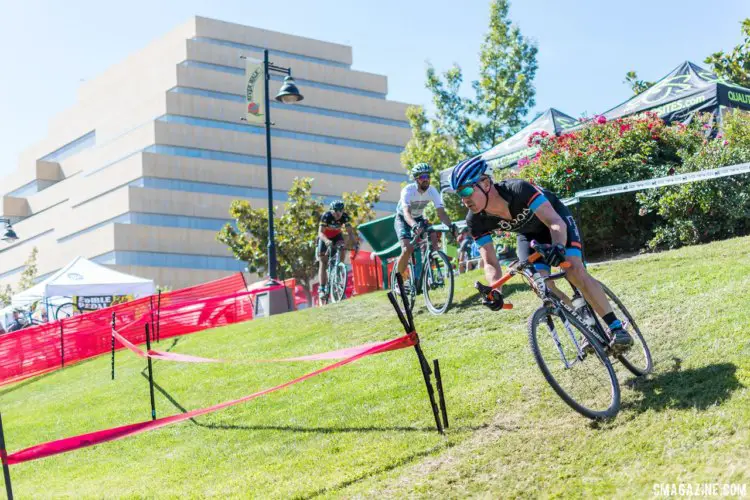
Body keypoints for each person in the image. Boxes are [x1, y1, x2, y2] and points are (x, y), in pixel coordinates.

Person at [450, 155, 632, 353]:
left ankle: (616, 327)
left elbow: (555, 222)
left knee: (573, 270)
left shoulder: (518, 189)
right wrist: (495, 291)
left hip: (556, 222)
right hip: (529, 236)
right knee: (539, 284)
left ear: (485, 183)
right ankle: (585, 324)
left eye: (467, 190)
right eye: (459, 194)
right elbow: (491, 262)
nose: (464, 199)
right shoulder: (475, 220)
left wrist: (559, 248)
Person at [395, 163, 457, 281]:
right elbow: (407, 213)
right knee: (407, 249)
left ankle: (431, 263)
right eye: (423, 177)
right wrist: (413, 225)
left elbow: (441, 213)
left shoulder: (432, 191)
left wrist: (450, 225)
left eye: (428, 176)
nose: (426, 180)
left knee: (433, 234)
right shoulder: (408, 191)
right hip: (403, 218)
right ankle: (399, 279)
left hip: (418, 217)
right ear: (416, 179)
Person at [317, 200, 358, 301]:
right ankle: (322, 288)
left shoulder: (344, 217)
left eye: (340, 210)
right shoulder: (326, 216)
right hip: (324, 237)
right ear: (331, 210)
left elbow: (350, 233)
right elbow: (320, 233)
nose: (338, 213)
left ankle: (339, 267)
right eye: (335, 210)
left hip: (336, 236)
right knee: (323, 262)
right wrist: (326, 241)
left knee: (342, 246)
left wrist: (355, 243)